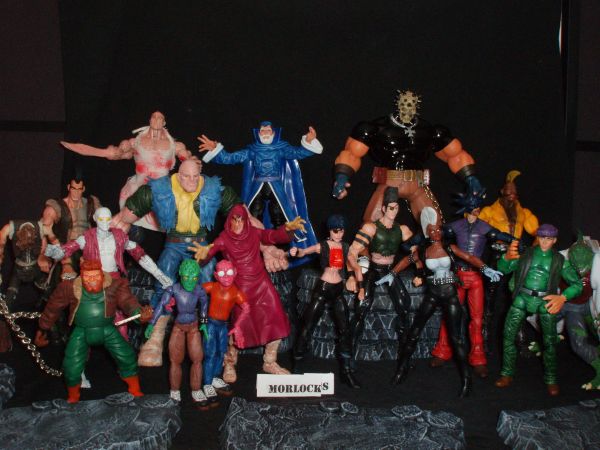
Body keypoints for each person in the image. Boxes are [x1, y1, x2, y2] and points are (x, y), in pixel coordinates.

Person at [111, 159, 240, 366]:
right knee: (164, 281)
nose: (191, 181)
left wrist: (265, 245)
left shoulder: (215, 189)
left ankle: (219, 344)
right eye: (186, 176)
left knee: (213, 286)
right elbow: (127, 214)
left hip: (201, 244)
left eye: (195, 177)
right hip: (173, 243)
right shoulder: (159, 189)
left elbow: (242, 217)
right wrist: (118, 225)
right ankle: (155, 338)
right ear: (178, 176)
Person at [391, 207, 502, 397]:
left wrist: (485, 269)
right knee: (415, 331)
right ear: (426, 232)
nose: (435, 232)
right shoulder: (424, 250)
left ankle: (466, 379)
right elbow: (408, 259)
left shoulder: (450, 248)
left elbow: (469, 257)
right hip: (433, 293)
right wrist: (393, 273)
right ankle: (402, 369)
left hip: (450, 293)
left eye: (438, 229)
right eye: (431, 230)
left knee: (455, 337)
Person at [332, 90, 483, 225]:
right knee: (372, 225)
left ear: (417, 105)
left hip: (417, 183)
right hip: (389, 181)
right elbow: (352, 153)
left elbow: (455, 155)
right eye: (404, 102)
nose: (407, 107)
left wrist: (470, 178)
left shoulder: (428, 130)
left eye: (411, 104)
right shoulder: (378, 128)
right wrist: (342, 176)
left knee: (434, 226)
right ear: (398, 103)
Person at [190, 204, 305, 377]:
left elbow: (272, 236)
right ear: (229, 221)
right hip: (240, 288)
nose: (237, 224)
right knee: (238, 326)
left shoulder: (254, 232)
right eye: (234, 220)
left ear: (246, 220)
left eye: (241, 220)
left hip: (261, 283)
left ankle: (270, 361)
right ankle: (229, 362)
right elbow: (208, 253)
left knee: (276, 319)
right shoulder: (224, 238)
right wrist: (203, 253)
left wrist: (287, 229)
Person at [199, 121, 322, 267]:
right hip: (258, 185)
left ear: (273, 133)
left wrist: (308, 141)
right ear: (258, 133)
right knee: (253, 214)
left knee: (279, 215)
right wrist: (216, 149)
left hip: (276, 185)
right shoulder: (252, 150)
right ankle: (252, 247)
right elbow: (231, 158)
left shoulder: (281, 148)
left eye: (268, 131)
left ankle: (283, 249)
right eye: (262, 131)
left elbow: (298, 152)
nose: (265, 133)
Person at [33, 259, 153, 403]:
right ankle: (73, 397)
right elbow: (53, 308)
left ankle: (135, 389)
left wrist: (140, 314)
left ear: (102, 275)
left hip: (108, 330)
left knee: (127, 357)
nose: (92, 281)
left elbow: (128, 302)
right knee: (71, 366)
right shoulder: (69, 288)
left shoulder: (115, 285)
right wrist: (43, 328)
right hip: (81, 332)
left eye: (95, 276)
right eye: (87, 277)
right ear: (81, 276)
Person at [61, 111, 196, 231]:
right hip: (138, 192)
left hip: (162, 194)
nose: (156, 120)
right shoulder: (135, 142)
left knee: (177, 229)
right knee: (121, 226)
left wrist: (191, 163)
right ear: (149, 120)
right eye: (154, 117)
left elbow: (187, 161)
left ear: (164, 122)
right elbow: (119, 152)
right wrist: (113, 152)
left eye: (160, 118)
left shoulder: (175, 145)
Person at [429, 194, 517, 378]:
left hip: (476, 276)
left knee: (476, 320)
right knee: (450, 314)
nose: (473, 214)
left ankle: (478, 358)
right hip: (458, 275)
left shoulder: (484, 227)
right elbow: (436, 234)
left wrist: (516, 242)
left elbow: (500, 235)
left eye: (476, 210)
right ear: (465, 211)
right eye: (471, 210)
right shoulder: (455, 226)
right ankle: (442, 351)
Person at [494, 224, 583, 396]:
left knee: (549, 343)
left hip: (545, 301)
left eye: (548, 239)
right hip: (522, 298)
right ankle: (506, 373)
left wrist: (562, 297)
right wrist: (506, 258)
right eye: (542, 238)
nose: (544, 242)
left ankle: (551, 378)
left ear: (554, 240)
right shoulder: (526, 254)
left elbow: (578, 284)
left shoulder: (559, 260)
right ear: (537, 237)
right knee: (508, 336)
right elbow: (503, 269)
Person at [291, 214, 360, 388]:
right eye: (335, 231)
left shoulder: (345, 247)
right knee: (307, 325)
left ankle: (346, 371)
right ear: (330, 231)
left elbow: (353, 263)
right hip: (323, 288)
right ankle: (297, 364)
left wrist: (358, 280)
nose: (339, 234)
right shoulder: (323, 246)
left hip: (338, 290)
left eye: (341, 231)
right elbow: (305, 251)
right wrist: (296, 251)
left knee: (345, 328)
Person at [346, 187, 413, 353]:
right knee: (362, 306)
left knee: (404, 303)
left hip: (390, 270)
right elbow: (352, 252)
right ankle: (349, 350)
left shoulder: (402, 230)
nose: (394, 211)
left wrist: (419, 267)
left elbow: (417, 251)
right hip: (374, 269)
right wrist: (351, 275)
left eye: (396, 208)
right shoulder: (371, 228)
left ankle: (404, 352)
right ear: (383, 208)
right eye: (391, 208)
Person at [478, 170, 539, 349]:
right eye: (508, 191)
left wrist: (532, 251)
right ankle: (483, 339)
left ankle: (520, 339)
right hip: (497, 254)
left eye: (514, 192)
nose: (511, 195)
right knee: (489, 297)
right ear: (502, 192)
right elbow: (476, 228)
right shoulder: (489, 211)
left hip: (517, 255)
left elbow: (538, 233)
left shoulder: (523, 213)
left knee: (519, 296)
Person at [146, 259, 211, 408]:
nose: (190, 281)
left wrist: (204, 323)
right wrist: (151, 324)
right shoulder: (173, 289)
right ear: (180, 274)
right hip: (178, 327)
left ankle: (196, 390)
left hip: (193, 327)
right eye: (186, 277)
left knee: (197, 359)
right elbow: (161, 305)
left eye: (194, 277)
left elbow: (204, 306)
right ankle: (175, 390)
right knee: (175, 360)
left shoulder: (199, 290)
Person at [201, 259, 249, 399]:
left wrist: (238, 325)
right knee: (210, 354)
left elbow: (246, 308)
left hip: (223, 326)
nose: (226, 276)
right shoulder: (212, 286)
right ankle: (207, 383)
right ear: (216, 275)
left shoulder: (236, 292)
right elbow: (194, 291)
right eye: (222, 273)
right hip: (210, 324)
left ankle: (215, 378)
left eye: (229, 272)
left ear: (235, 272)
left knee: (221, 353)